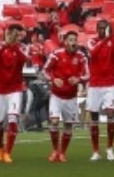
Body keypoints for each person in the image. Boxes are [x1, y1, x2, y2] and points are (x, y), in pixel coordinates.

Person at [43, 29, 89, 163]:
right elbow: (45, 70)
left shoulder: (81, 57)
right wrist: (53, 79)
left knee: (68, 125)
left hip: (71, 97)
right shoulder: (56, 54)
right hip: (56, 95)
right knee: (54, 121)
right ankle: (55, 150)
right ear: (65, 42)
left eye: (75, 40)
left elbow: (87, 74)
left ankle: (62, 152)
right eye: (70, 40)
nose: (73, 42)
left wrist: (79, 79)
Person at [0, 23, 31, 163]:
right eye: (10, 32)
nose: (12, 35)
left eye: (15, 33)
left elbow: (25, 59)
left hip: (15, 88)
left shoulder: (23, 47)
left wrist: (15, 46)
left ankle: (8, 152)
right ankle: (0, 147)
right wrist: (5, 45)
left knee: (13, 118)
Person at [86, 19, 114, 161]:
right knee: (94, 117)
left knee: (110, 113)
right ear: (96, 29)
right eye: (100, 28)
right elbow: (93, 53)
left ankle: (110, 148)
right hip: (95, 84)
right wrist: (105, 39)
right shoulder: (91, 41)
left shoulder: (112, 41)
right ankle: (96, 151)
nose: (102, 30)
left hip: (109, 84)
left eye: (104, 28)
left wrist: (111, 37)